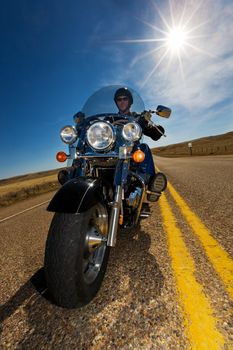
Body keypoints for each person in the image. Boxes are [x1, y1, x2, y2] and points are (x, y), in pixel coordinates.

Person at [114, 87, 167, 201]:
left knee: (144, 148)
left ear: (130, 102)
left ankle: (149, 183)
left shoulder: (138, 118)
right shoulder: (111, 119)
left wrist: (148, 123)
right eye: (119, 99)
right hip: (112, 152)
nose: (122, 101)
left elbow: (156, 135)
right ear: (116, 102)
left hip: (131, 151)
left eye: (125, 99)